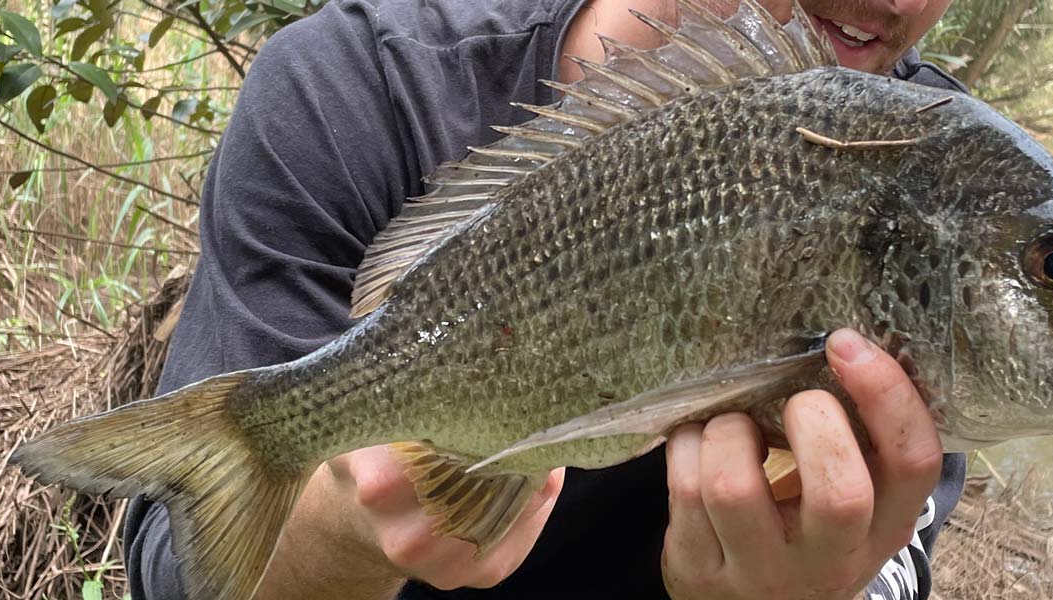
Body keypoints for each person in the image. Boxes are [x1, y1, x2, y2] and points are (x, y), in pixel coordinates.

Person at [124, 0, 970, 598]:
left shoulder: (949, 175)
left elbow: (900, 556)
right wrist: (343, 526)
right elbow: (180, 576)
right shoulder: (352, 85)